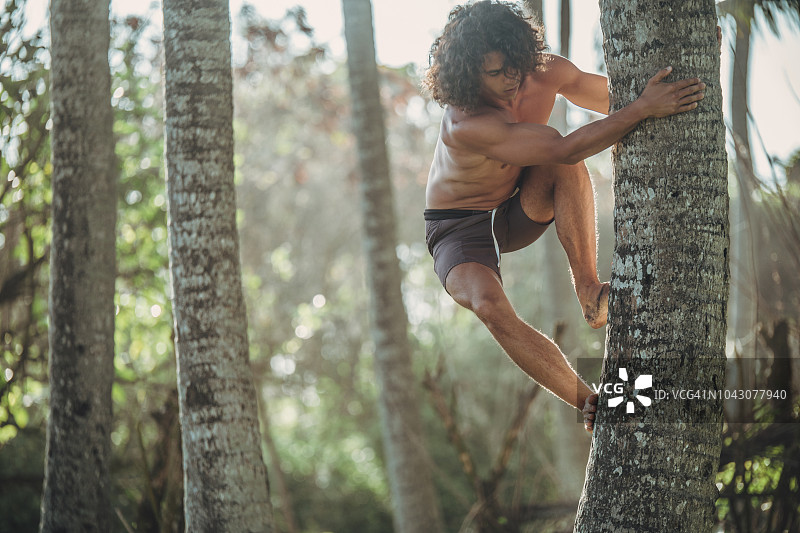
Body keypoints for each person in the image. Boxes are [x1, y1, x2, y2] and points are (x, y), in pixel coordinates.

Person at [422, 0, 706, 432]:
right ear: (467, 73)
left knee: (564, 161)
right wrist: (643, 109)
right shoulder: (465, 122)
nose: (511, 78)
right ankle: (585, 399)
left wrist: (692, 61)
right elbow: (569, 143)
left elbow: (618, 99)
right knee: (488, 305)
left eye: (514, 65)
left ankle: (591, 294)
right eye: (495, 72)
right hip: (458, 226)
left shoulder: (543, 71)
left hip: (516, 204)